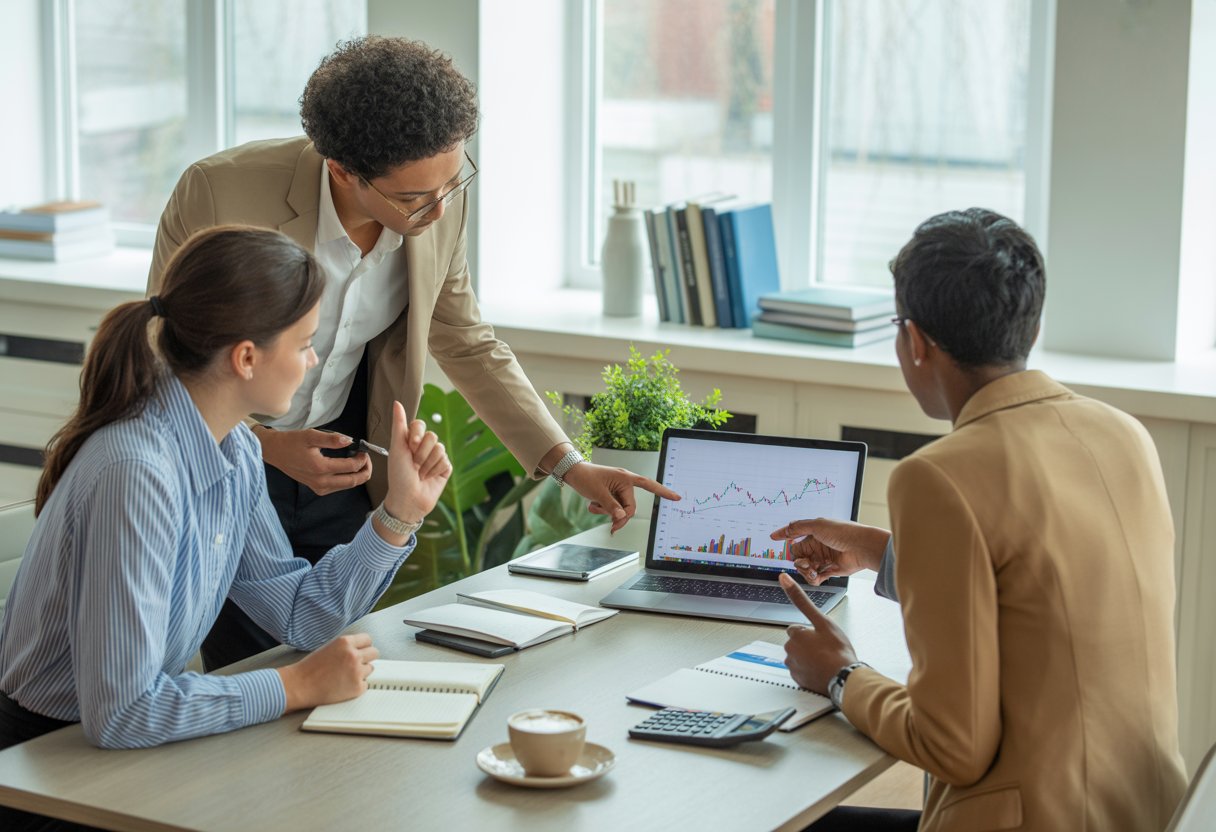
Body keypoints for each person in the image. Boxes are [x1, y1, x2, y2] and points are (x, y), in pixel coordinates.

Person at [147, 35, 678, 671]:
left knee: (341, 656)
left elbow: (466, 336)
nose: (437, 208)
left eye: (452, 183)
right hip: (222, 461)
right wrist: (263, 445)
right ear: (342, 169)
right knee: (258, 672)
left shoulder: (437, 193)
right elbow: (162, 361)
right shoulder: (219, 193)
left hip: (344, 463)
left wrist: (570, 465)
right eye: (411, 198)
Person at [772, 208, 1187, 831]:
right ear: (1034, 325)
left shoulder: (937, 475)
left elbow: (951, 746)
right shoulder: (1124, 434)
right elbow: (1038, 585)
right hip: (1147, 813)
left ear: (914, 341)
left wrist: (840, 676)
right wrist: (884, 553)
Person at [0, 226, 450, 769]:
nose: (312, 363)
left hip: (125, 750)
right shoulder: (136, 473)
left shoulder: (235, 447)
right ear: (245, 358)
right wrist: (292, 686)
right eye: (305, 344)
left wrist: (399, 513)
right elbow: (123, 711)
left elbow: (299, 615)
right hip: (45, 761)